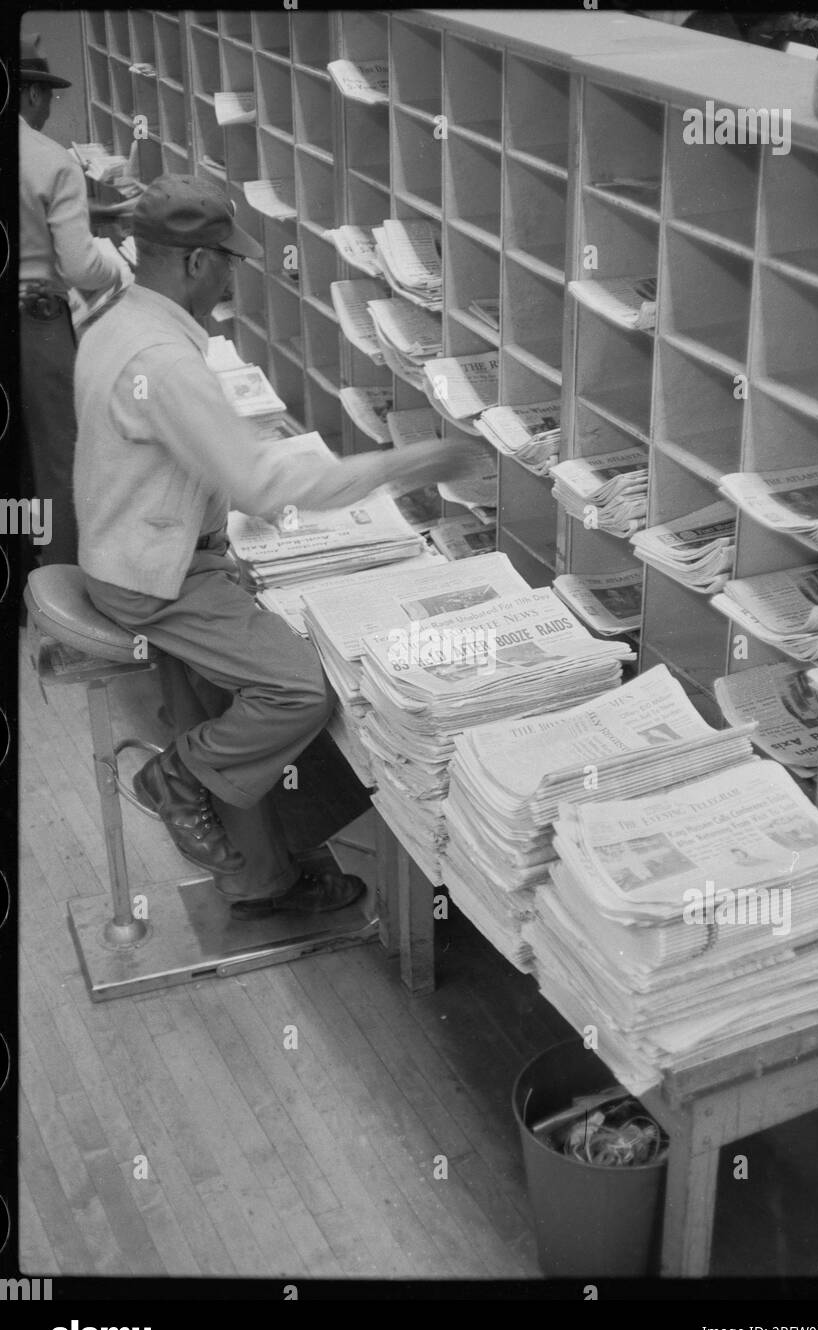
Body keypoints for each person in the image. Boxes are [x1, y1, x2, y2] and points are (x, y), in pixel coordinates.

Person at [74, 173, 475, 920]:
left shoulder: (119, 319)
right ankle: (178, 778)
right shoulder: (164, 362)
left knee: (239, 679)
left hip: (135, 549)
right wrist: (401, 465)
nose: (234, 272)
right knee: (296, 689)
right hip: (154, 575)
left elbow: (187, 458)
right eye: (228, 258)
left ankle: (261, 877)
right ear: (195, 263)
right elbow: (261, 487)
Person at [19, 36, 131, 569]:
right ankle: (57, 574)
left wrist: (96, 215)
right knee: (56, 457)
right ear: (32, 95)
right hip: (35, 328)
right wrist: (120, 267)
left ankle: (18, 567)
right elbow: (83, 267)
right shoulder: (50, 158)